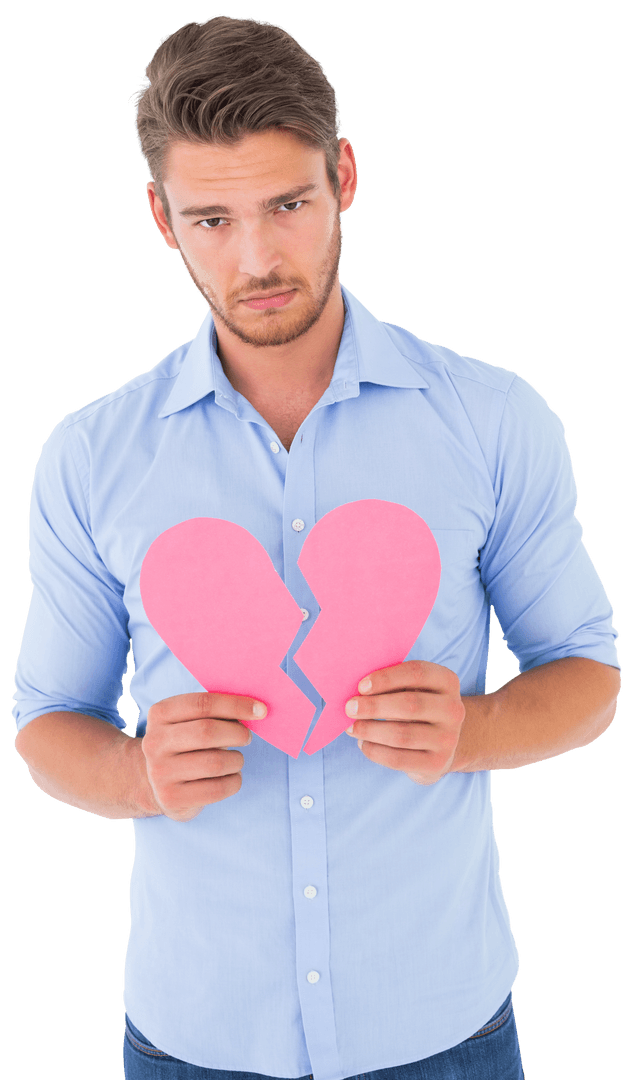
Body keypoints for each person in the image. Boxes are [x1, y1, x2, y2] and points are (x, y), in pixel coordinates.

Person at [12, 14, 620, 1080]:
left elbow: (588, 674)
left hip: (444, 1030)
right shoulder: (90, 455)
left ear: (343, 176)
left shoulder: (491, 419)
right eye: (211, 218)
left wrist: (470, 730)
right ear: (160, 216)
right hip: (193, 1038)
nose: (256, 258)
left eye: (287, 204)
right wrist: (137, 772)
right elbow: (45, 724)